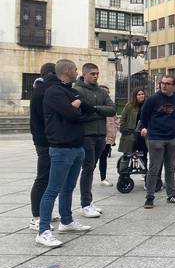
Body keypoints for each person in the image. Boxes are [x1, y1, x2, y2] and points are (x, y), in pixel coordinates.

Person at [35, 59, 94, 247]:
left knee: (68, 187)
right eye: (75, 69)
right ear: (67, 70)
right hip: (61, 148)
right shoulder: (53, 92)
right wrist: (76, 107)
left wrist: (76, 106)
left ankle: (66, 221)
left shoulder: (71, 90)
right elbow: (72, 114)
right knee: (52, 188)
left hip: (77, 147)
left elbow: (88, 111)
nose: (77, 71)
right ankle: (43, 230)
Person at [73, 63, 116, 218]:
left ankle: (89, 202)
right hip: (86, 135)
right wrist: (99, 111)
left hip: (100, 134)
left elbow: (112, 109)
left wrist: (95, 108)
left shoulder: (101, 91)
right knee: (88, 168)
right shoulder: (77, 90)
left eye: (97, 73)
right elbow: (81, 113)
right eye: (92, 73)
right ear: (84, 74)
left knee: (92, 167)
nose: (95, 76)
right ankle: (85, 203)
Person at [139, 74, 175, 208]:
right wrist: (144, 128)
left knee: (171, 167)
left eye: (167, 83)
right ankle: (149, 197)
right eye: (162, 83)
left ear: (174, 86)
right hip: (156, 138)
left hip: (171, 138)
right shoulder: (153, 99)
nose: (164, 86)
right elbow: (144, 116)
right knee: (154, 168)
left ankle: (171, 195)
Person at [29, 63, 58, 231]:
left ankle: (44, 212)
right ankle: (36, 217)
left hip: (43, 138)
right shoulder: (44, 89)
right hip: (44, 140)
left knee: (49, 178)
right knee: (43, 177)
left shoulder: (40, 88)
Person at [97, 85, 117, 187]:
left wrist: (113, 135)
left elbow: (115, 120)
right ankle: (88, 175)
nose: (107, 94)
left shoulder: (110, 107)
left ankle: (103, 178)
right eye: (105, 92)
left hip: (108, 137)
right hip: (98, 136)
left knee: (103, 157)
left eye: (108, 93)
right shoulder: (97, 106)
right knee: (93, 159)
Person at [118, 88, 147, 156]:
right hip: (130, 133)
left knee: (143, 155)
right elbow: (123, 119)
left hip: (142, 134)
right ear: (135, 96)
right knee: (127, 156)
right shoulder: (129, 106)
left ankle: (143, 166)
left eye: (142, 94)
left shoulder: (147, 105)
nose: (141, 96)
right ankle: (125, 166)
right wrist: (124, 129)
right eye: (139, 94)